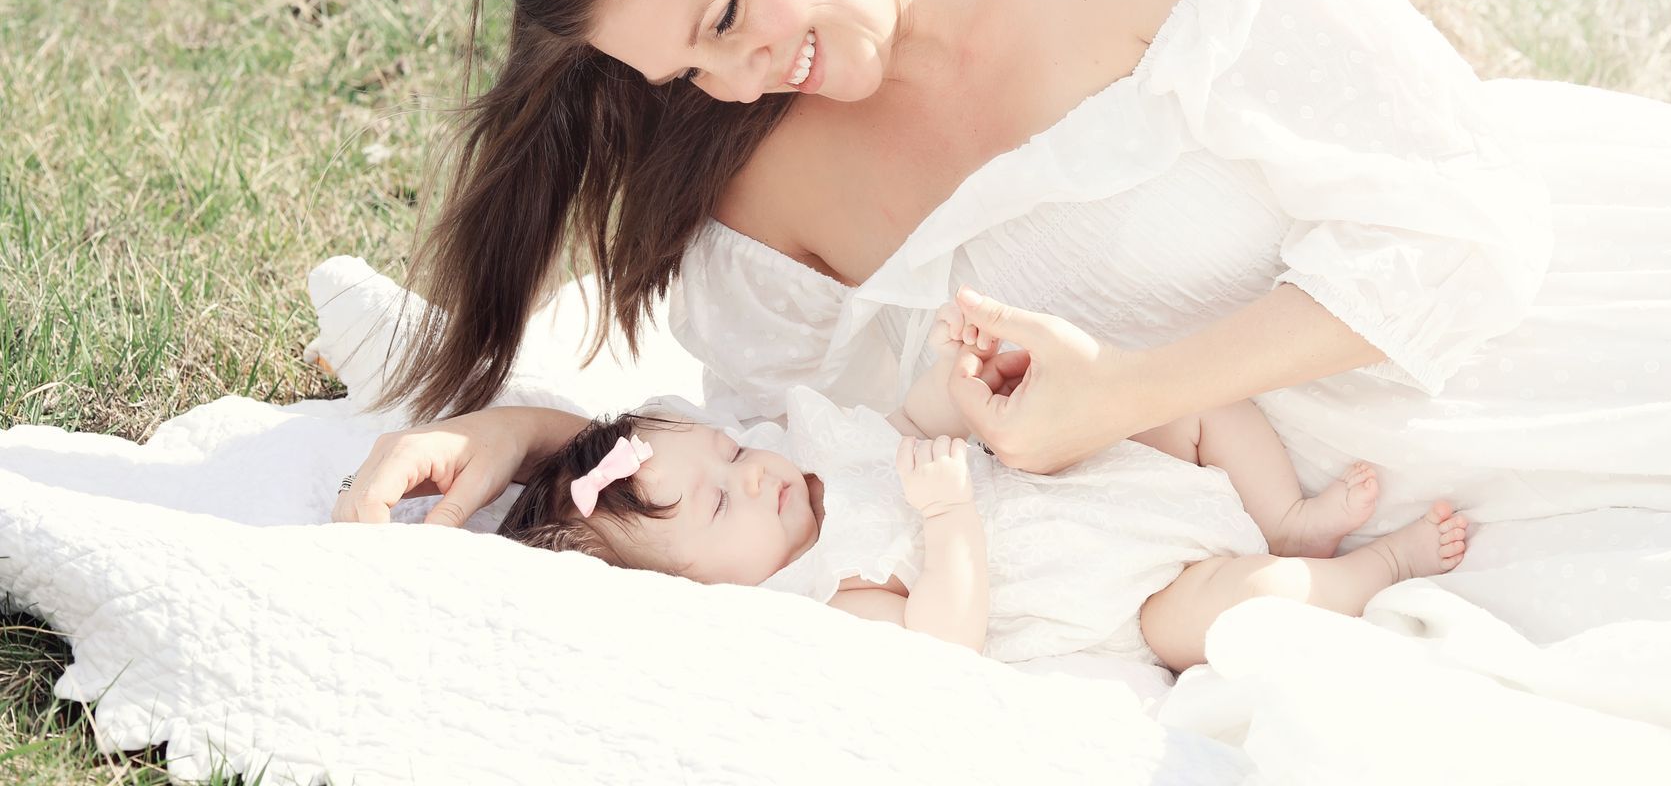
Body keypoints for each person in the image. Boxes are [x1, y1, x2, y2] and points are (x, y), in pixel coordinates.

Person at [333, 0, 1671, 765]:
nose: (741, 79)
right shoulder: (751, 187)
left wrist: (1129, 391)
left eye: (733, 14)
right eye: (689, 72)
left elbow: (1473, 219)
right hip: (1246, 495)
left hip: (1554, 298)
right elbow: (778, 457)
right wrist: (533, 431)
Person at [494, 296, 1468, 673]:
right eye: (718, 503)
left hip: (1097, 484)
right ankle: (1372, 566)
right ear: (702, 590)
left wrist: (967, 387)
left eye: (730, 455)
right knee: (1221, 613)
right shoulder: (820, 597)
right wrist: (948, 519)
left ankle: (1286, 518)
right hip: (1113, 591)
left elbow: (913, 425)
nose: (754, 476)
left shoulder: (811, 451)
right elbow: (943, 643)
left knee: (1185, 404)